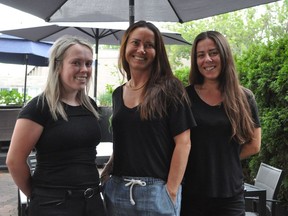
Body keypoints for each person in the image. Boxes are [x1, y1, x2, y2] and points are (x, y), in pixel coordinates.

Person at [100, 20, 196, 216]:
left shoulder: (170, 89)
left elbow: (184, 143)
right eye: (135, 42)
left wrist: (171, 190)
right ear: (125, 46)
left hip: (156, 192)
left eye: (149, 45)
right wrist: (108, 171)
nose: (141, 49)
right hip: (117, 190)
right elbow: (126, 139)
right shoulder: (118, 93)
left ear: (157, 52)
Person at [6, 35, 106, 216]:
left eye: (89, 63)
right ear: (58, 65)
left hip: (92, 202)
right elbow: (14, 161)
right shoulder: (40, 107)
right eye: (76, 63)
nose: (84, 69)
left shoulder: (90, 105)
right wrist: (38, 195)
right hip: (53, 205)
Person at [181, 31, 261, 216]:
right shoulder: (183, 97)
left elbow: (254, 145)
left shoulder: (244, 97)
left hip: (230, 196)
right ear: (195, 60)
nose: (207, 59)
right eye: (201, 55)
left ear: (224, 55)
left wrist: (222, 160)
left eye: (213, 53)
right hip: (191, 195)